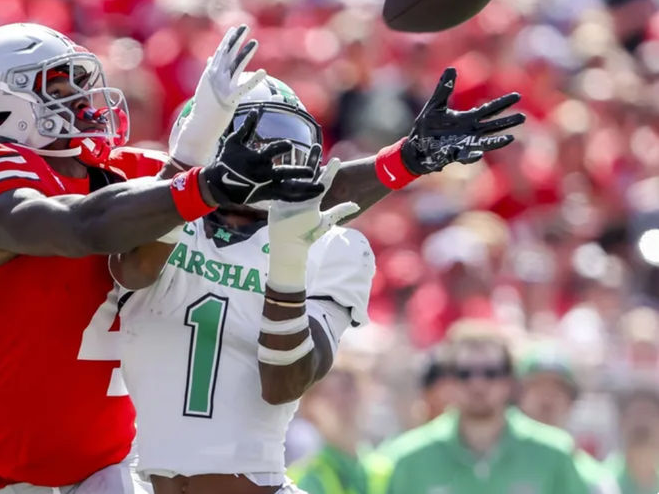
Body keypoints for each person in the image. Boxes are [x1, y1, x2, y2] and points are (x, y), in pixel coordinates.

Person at [0, 22, 326, 492]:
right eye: (58, 88)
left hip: (112, 466)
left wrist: (399, 163)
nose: (82, 99)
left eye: (80, 84)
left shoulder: (119, 171)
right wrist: (200, 183)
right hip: (11, 475)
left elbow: (296, 194)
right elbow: (82, 227)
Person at [109, 66, 525, 494]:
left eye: (287, 145)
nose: (277, 163)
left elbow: (284, 383)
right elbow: (134, 266)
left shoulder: (332, 248)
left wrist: (290, 260)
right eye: (259, 143)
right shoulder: (160, 218)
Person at [379, 321, 590, 494]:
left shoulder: (554, 453)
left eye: (491, 372)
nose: (477, 384)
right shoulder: (410, 458)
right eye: (464, 373)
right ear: (449, 382)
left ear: (509, 381)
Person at [516, 343, 619, 494]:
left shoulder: (591, 476)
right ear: (519, 396)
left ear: (572, 401)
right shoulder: (492, 462)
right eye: (537, 387)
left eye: (557, 389)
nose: (547, 398)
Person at [288, 351, 388, 494]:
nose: (342, 401)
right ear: (309, 412)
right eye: (328, 394)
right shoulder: (305, 481)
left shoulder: (386, 468)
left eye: (347, 388)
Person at [605, 385, 659, 494]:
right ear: (621, 422)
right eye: (636, 414)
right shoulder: (602, 482)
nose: (642, 422)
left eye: (649, 414)